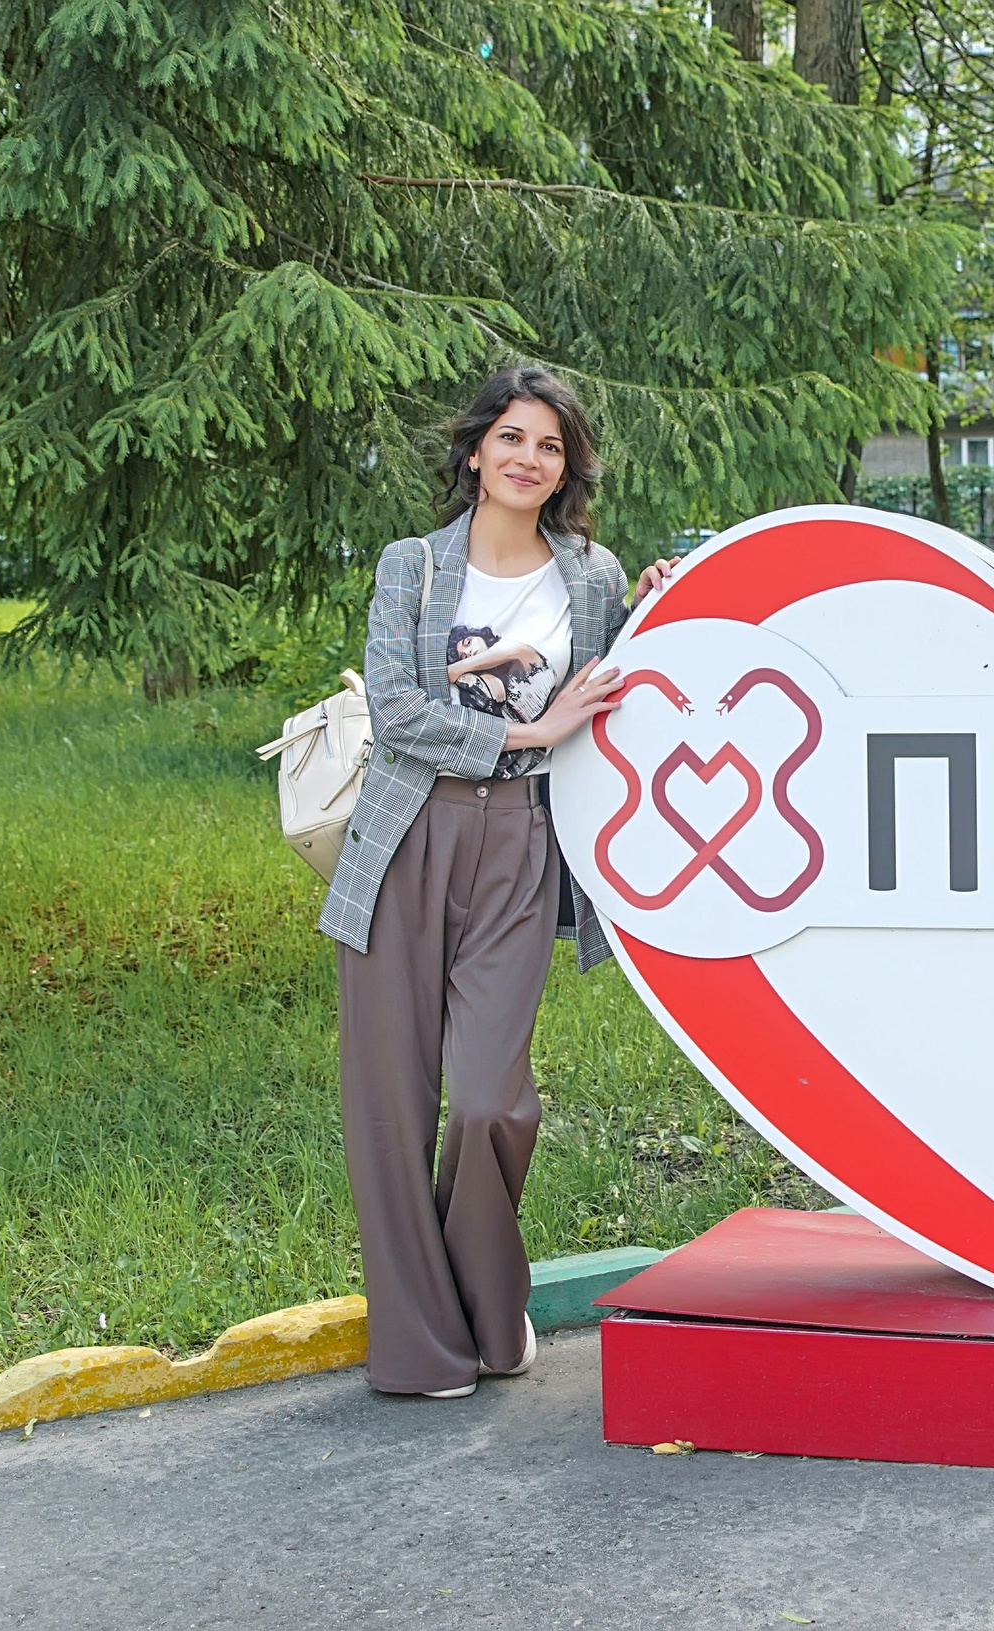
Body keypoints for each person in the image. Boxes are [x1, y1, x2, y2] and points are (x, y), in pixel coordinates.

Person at [318, 366, 673, 1398]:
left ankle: (489, 1301)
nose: (528, 457)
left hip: (521, 843)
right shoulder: (413, 566)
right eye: (510, 437)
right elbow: (395, 709)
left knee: (487, 1100)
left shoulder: (592, 575)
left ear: (567, 467)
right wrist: (529, 727)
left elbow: (623, 691)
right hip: (402, 839)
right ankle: (423, 1347)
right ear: (474, 451)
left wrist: (663, 605)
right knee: (388, 1104)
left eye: (549, 445)